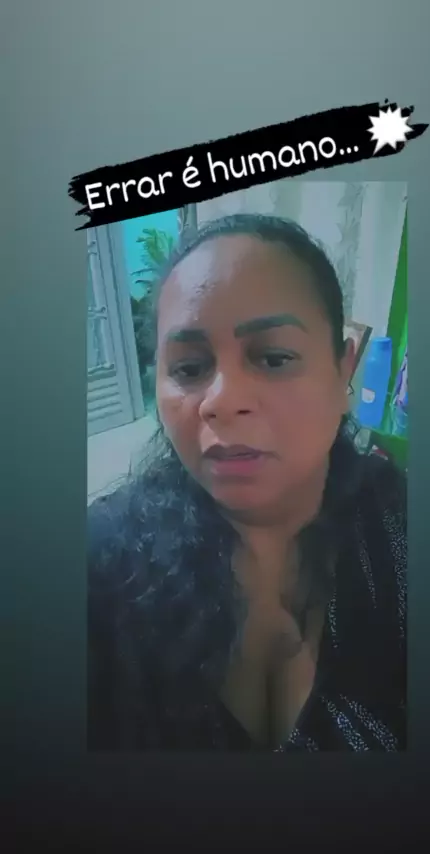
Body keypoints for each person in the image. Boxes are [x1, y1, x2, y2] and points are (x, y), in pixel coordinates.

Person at [88, 213, 406, 752]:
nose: (222, 400)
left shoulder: (406, 533)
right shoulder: (102, 566)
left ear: (343, 371)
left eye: (274, 358)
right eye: (189, 368)